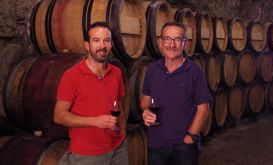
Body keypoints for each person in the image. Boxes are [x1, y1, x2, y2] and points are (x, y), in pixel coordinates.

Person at [54, 22, 129, 165]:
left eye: (106, 40)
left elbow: (119, 105)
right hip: (88, 154)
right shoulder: (72, 75)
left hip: (119, 148)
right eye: (96, 40)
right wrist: (94, 121)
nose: (102, 46)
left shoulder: (117, 72)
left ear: (111, 44)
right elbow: (59, 115)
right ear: (87, 45)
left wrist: (123, 132)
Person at [141, 21, 212, 165]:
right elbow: (145, 101)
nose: (171, 44)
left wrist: (190, 137)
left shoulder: (195, 72)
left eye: (177, 40)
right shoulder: (152, 70)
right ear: (161, 42)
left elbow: (204, 110)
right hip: (156, 143)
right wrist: (146, 111)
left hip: (183, 145)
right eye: (167, 39)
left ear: (185, 44)